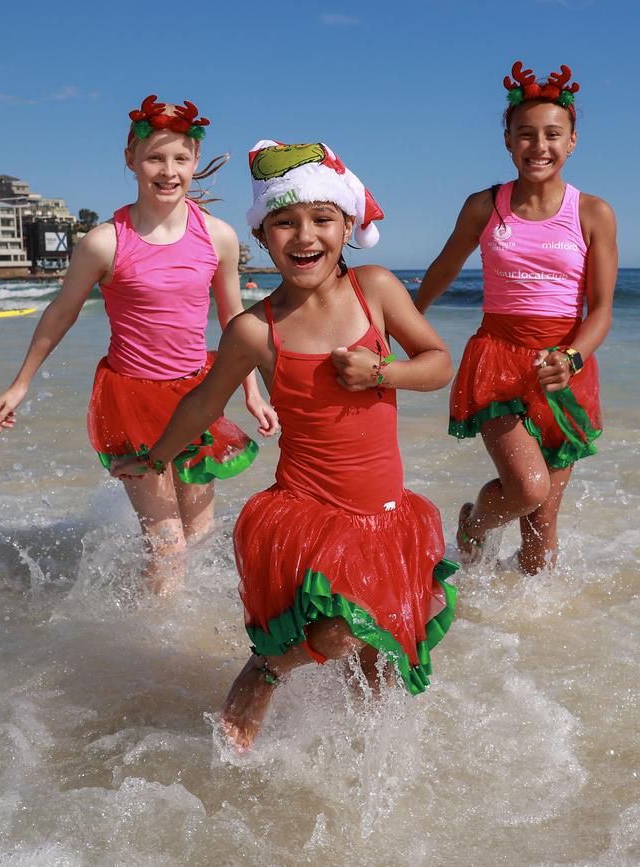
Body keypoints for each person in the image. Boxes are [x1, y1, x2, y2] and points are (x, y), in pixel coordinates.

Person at [112, 140, 459, 749]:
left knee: (377, 661)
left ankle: (349, 771)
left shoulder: (375, 290)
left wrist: (383, 373)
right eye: (285, 221)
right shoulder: (254, 328)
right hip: (309, 512)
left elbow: (437, 363)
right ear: (264, 236)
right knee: (337, 632)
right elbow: (203, 403)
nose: (305, 234)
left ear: (348, 226)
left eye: (322, 219)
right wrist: (159, 454)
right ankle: (267, 668)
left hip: (384, 513)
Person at [0, 95, 278, 596]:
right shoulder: (104, 242)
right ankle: (146, 650)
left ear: (194, 163)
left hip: (197, 395)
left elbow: (235, 321)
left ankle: (170, 634)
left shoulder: (218, 237)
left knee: (201, 534)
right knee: (167, 545)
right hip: (130, 398)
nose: (168, 171)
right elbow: (62, 311)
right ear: (131, 160)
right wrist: (21, 383)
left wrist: (252, 391)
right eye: (155, 158)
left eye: (180, 159)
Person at [416, 62, 617, 574]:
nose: (539, 146)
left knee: (541, 522)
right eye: (525, 135)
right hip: (497, 360)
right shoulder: (485, 206)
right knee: (527, 488)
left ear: (573, 142)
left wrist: (572, 357)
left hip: (564, 367)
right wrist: (401, 322)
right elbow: (442, 270)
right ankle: (473, 527)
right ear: (508, 141)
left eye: (553, 134)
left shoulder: (593, 213)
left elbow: (601, 309)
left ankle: (525, 628)